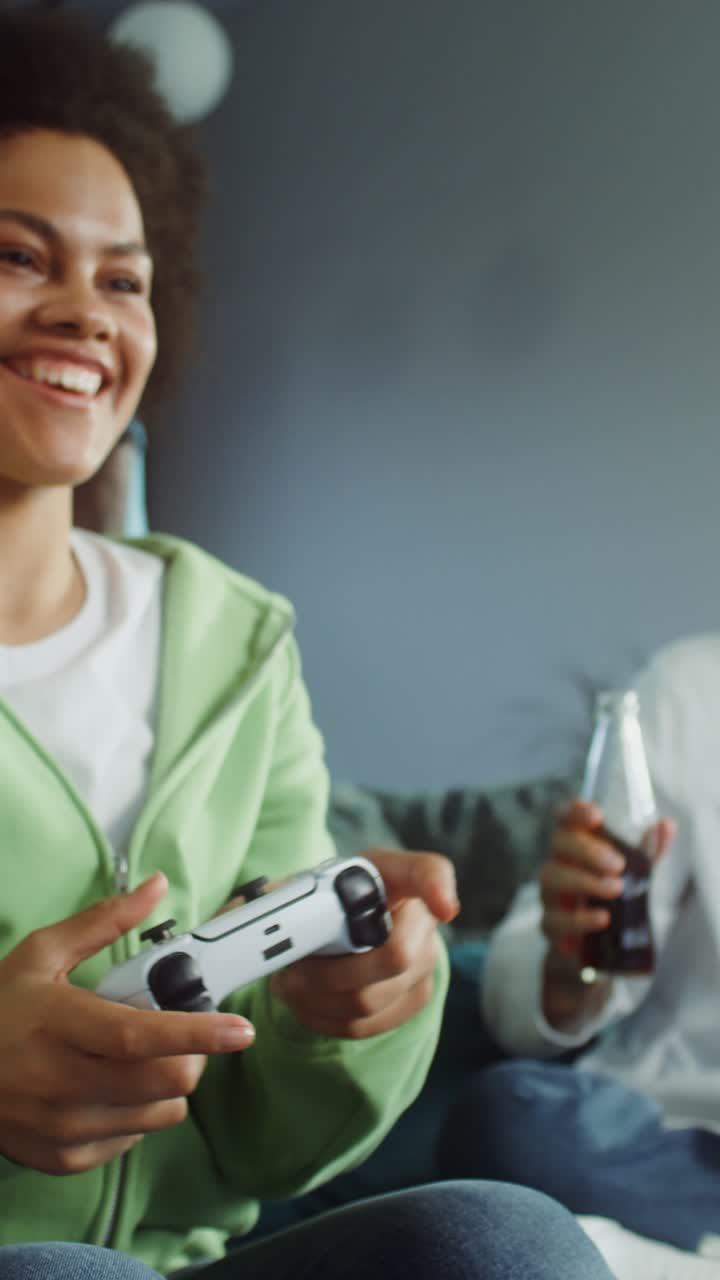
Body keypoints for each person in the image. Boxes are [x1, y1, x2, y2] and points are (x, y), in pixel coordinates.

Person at [0, 8, 617, 1280]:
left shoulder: (235, 642)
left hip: (193, 1260)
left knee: (505, 1240)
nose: (84, 313)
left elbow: (274, 1148)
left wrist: (346, 1016)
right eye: (18, 256)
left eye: (124, 277)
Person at [436, 637, 720, 1274]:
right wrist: (570, 969)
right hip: (674, 1148)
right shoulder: (692, 694)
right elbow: (549, 967)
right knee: (515, 1123)